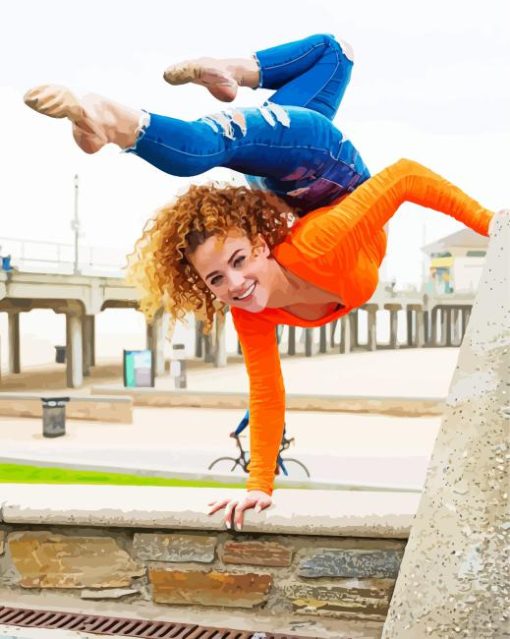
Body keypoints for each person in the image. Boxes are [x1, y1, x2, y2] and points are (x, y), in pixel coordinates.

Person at [23, 36, 497, 530]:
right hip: (288, 178)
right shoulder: (253, 312)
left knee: (213, 145)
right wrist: (258, 488)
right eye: (216, 278)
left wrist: (491, 226)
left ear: (263, 246)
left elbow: (406, 176)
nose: (236, 283)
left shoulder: (319, 245)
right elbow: (267, 395)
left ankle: (110, 118)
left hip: (315, 155)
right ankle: (232, 72)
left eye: (239, 260)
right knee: (338, 53)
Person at [23, 34, 370, 216]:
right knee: (212, 142)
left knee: (337, 51)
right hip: (310, 152)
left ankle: (231, 70)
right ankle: (107, 120)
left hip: (299, 154)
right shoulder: (328, 245)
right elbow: (403, 180)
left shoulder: (300, 238)